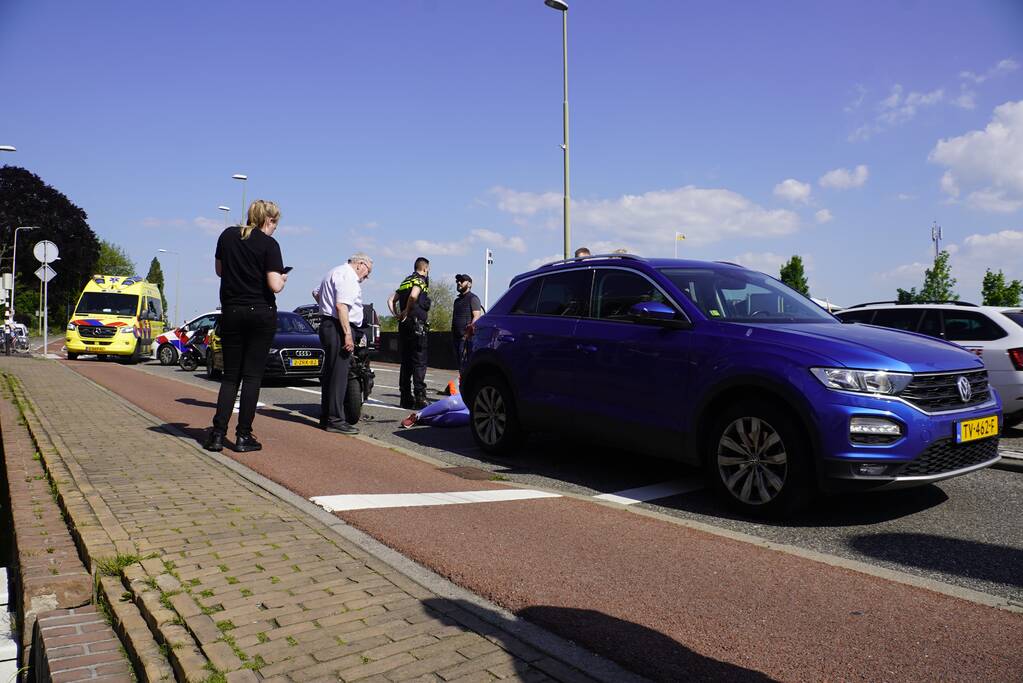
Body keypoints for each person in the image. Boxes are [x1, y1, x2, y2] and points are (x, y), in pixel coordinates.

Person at [204, 200, 287, 453]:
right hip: (260, 313)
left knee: (230, 377)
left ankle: (218, 435)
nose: (275, 228)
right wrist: (282, 278)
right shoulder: (269, 244)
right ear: (268, 220)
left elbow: (220, 271)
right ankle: (243, 436)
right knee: (252, 377)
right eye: (275, 223)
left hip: (231, 311)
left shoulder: (227, 235)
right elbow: (274, 286)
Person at [312, 253, 372, 434]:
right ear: (360, 264)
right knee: (339, 376)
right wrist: (347, 333)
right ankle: (335, 419)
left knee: (330, 375)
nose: (366, 277)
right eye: (368, 272)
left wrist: (326, 309)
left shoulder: (334, 272)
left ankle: (326, 416)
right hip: (339, 328)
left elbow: (316, 292)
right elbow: (342, 306)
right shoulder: (349, 277)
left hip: (329, 325)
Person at [387, 257, 431, 409]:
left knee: (406, 362)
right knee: (419, 361)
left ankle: (405, 397)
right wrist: (407, 310)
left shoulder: (405, 280)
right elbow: (413, 295)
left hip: (404, 325)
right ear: (425, 268)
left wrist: (397, 315)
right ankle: (420, 397)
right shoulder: (420, 280)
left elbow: (390, 299)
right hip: (417, 324)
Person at [451, 274, 482, 373]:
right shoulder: (457, 301)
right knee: (460, 366)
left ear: (469, 284)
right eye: (457, 281)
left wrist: (467, 334)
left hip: (467, 339)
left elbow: (477, 316)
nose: (458, 283)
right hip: (456, 337)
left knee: (467, 365)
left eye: (461, 281)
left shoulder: (473, 298)